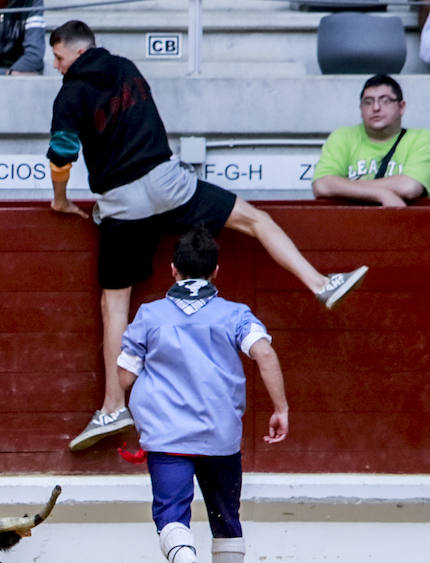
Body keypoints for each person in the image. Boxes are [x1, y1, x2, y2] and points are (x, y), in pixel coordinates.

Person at [44, 20, 365, 453]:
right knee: (256, 220)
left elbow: (63, 154)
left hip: (122, 201)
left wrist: (61, 200)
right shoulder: (126, 69)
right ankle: (322, 284)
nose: (56, 65)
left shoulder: (69, 94)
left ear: (75, 53)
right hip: (167, 182)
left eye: (58, 57)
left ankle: (114, 405)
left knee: (114, 303)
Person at [117, 227, 286, 563]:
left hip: (167, 438)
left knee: (170, 514)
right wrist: (281, 407)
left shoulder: (150, 315)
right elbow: (263, 352)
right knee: (226, 519)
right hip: (219, 437)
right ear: (215, 270)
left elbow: (124, 375)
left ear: (173, 270)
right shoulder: (235, 314)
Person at [312, 74, 430, 207]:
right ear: (361, 109)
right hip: (351, 224)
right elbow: (322, 185)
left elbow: (409, 187)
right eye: (368, 102)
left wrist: (344, 186)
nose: (376, 108)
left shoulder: (421, 139)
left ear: (401, 107)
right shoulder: (342, 137)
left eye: (385, 101)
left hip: (404, 224)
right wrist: (382, 194)